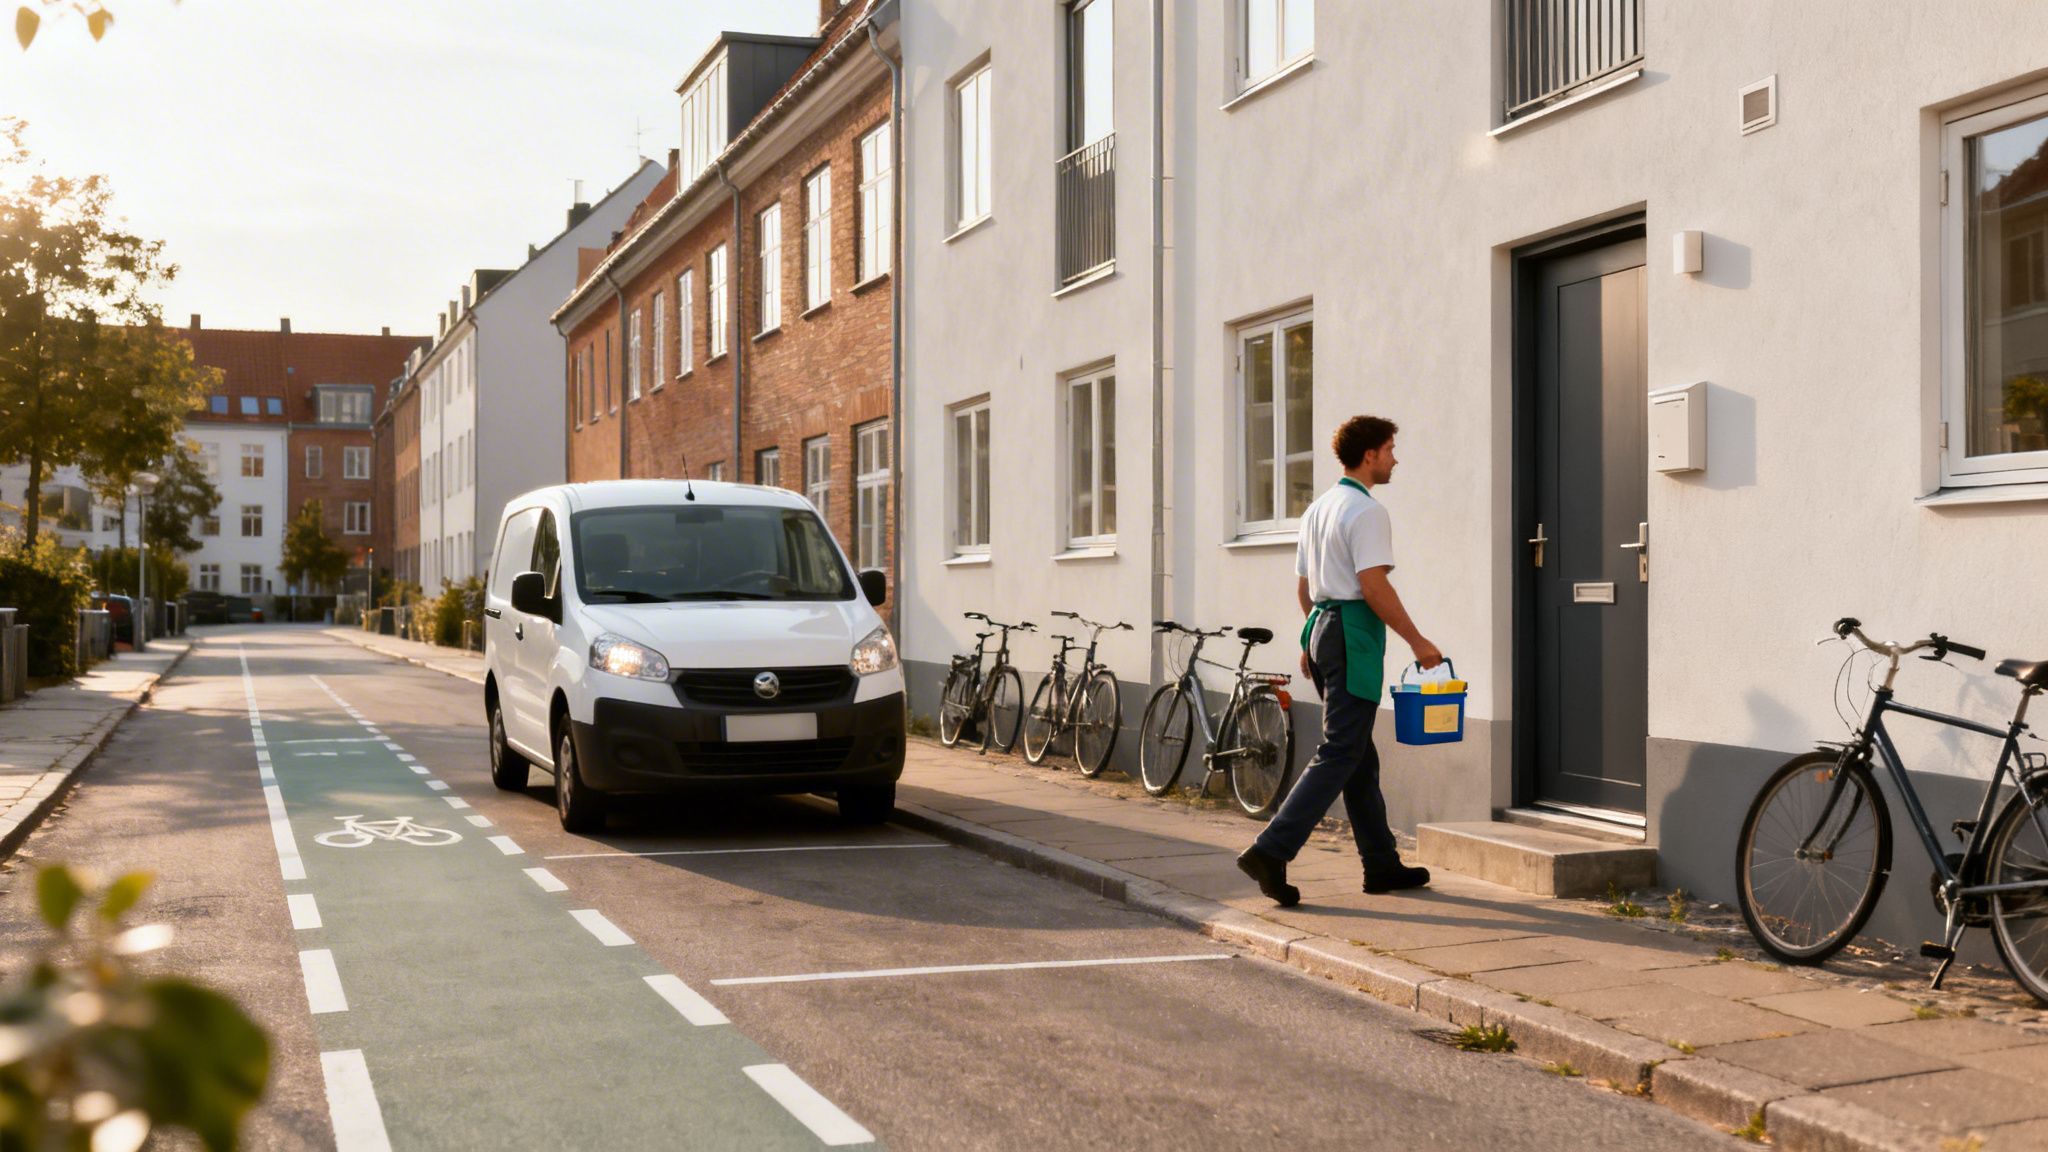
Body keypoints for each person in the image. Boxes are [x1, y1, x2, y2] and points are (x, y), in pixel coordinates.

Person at [1236, 415, 1441, 907]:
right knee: (1341, 751)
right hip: (1352, 634)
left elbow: (1305, 588)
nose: (1395, 458)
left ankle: (1381, 864)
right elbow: (1373, 587)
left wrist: (1310, 640)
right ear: (1369, 455)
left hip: (1326, 629)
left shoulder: (1318, 508)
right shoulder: (1367, 511)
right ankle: (1271, 848)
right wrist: (1417, 641)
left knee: (1357, 757)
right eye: (1390, 448)